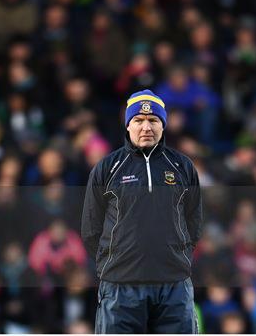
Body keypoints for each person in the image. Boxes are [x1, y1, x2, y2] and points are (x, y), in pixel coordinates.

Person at [81, 89, 203, 333]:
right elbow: (91, 229)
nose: (146, 127)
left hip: (173, 285)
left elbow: (194, 224)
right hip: (120, 286)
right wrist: (115, 265)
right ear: (127, 125)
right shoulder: (107, 167)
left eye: (153, 120)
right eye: (138, 120)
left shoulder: (182, 166)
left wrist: (174, 259)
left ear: (163, 125)